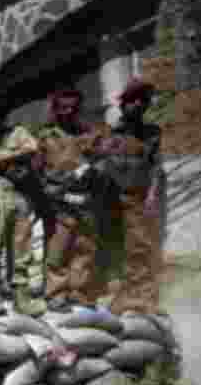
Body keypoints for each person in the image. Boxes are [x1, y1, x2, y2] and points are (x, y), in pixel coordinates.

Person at [34, 86, 114, 312]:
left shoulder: (88, 135)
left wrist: (94, 168)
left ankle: (79, 291)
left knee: (84, 247)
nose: (68, 112)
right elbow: (36, 170)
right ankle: (56, 293)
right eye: (63, 107)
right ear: (56, 109)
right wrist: (46, 194)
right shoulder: (46, 136)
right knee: (58, 249)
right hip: (57, 200)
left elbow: (104, 159)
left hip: (85, 199)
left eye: (73, 107)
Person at [0, 90, 46, 316]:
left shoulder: (18, 132)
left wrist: (2, 158)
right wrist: (12, 157)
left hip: (20, 196)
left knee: (22, 249)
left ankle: (21, 297)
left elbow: (32, 147)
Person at [103, 77, 165, 315]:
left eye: (143, 101)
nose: (138, 105)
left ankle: (146, 297)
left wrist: (151, 196)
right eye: (133, 100)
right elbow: (101, 167)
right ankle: (125, 295)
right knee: (118, 249)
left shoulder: (151, 133)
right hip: (113, 202)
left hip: (138, 199)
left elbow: (156, 168)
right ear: (123, 105)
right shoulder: (111, 135)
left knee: (140, 247)